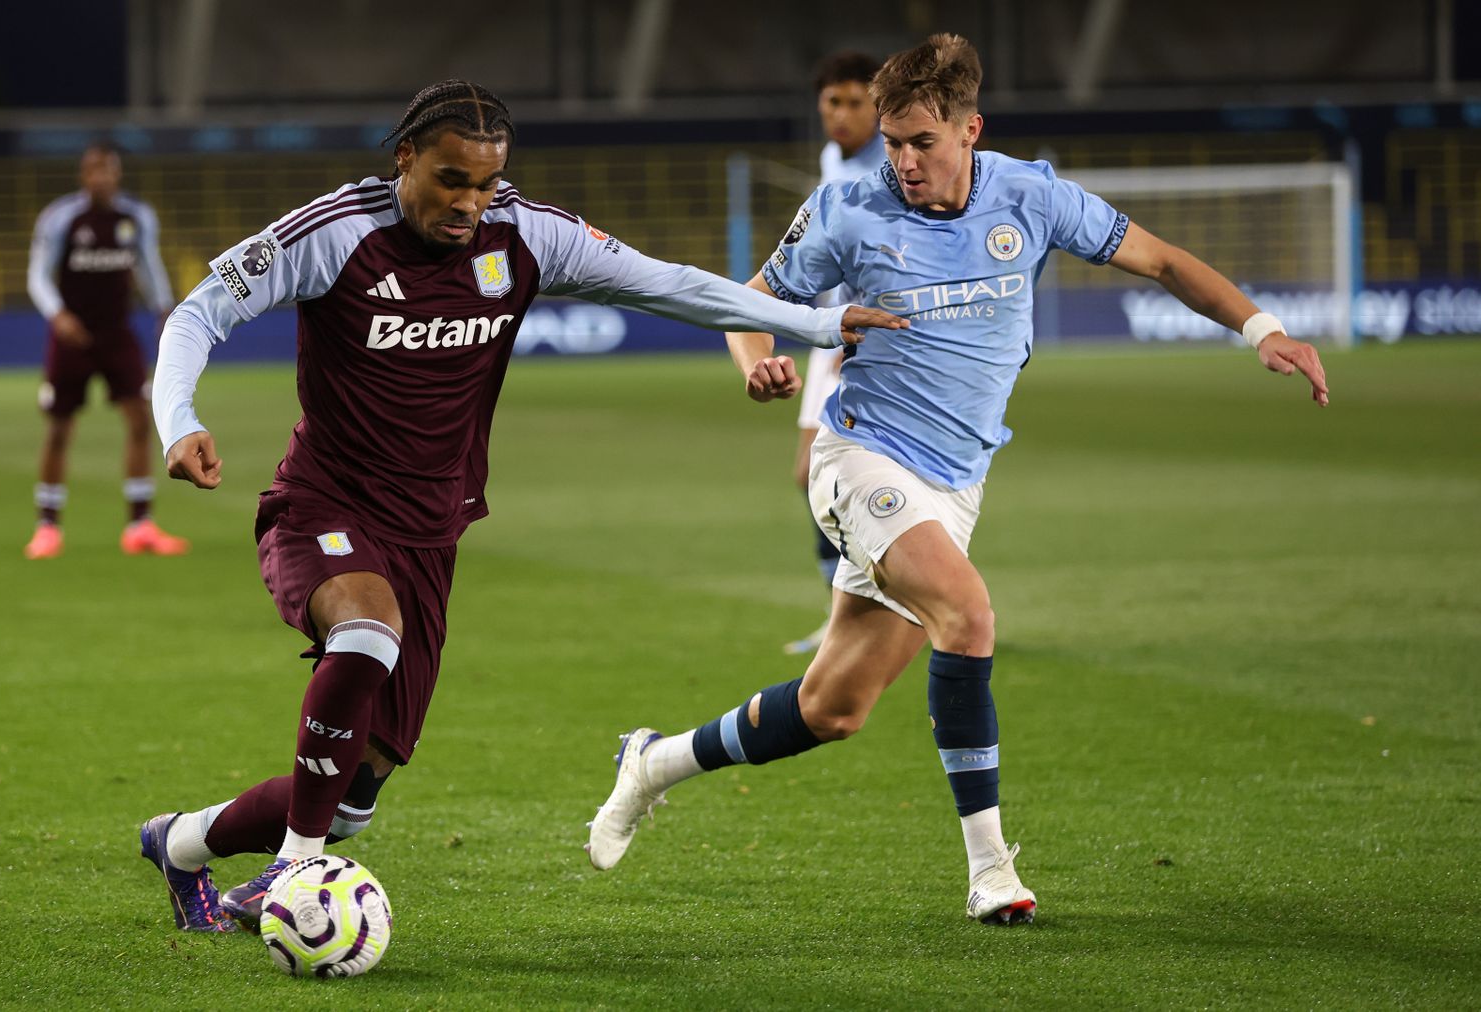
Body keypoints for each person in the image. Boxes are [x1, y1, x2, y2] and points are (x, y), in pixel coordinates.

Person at [133, 79, 908, 937]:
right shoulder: (336, 235)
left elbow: (670, 284)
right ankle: (294, 870)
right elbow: (199, 313)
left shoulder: (527, 234)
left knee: (356, 790)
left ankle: (185, 842)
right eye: (450, 180)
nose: (469, 203)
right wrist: (181, 420)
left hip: (431, 529)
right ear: (405, 161)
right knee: (365, 633)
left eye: (486, 183)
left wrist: (812, 322)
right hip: (323, 499)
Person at [587, 34, 1329, 926]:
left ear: (970, 130)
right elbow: (749, 300)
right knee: (968, 613)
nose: (902, 161)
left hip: (956, 482)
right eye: (893, 141)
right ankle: (990, 871)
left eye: (921, 142)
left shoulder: (1032, 195)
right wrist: (757, 360)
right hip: (861, 455)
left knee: (833, 708)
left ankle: (654, 762)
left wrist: (1263, 330)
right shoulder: (847, 209)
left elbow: (1165, 262)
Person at [24, 143, 188, 560]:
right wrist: (58, 315)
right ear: (84, 176)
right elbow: (38, 276)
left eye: (107, 170)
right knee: (59, 428)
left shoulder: (135, 218)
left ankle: (140, 525)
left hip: (118, 334)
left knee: (139, 420)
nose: (100, 178)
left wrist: (165, 308)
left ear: (116, 174)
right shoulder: (62, 218)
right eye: (93, 171)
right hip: (72, 336)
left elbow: (148, 267)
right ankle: (47, 527)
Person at [786, 50, 887, 655]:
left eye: (858, 103)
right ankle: (845, 614)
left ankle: (880, 611)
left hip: (862, 341)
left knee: (846, 478)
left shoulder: (891, 166)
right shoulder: (834, 159)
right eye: (834, 102)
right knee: (811, 477)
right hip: (830, 335)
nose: (843, 115)